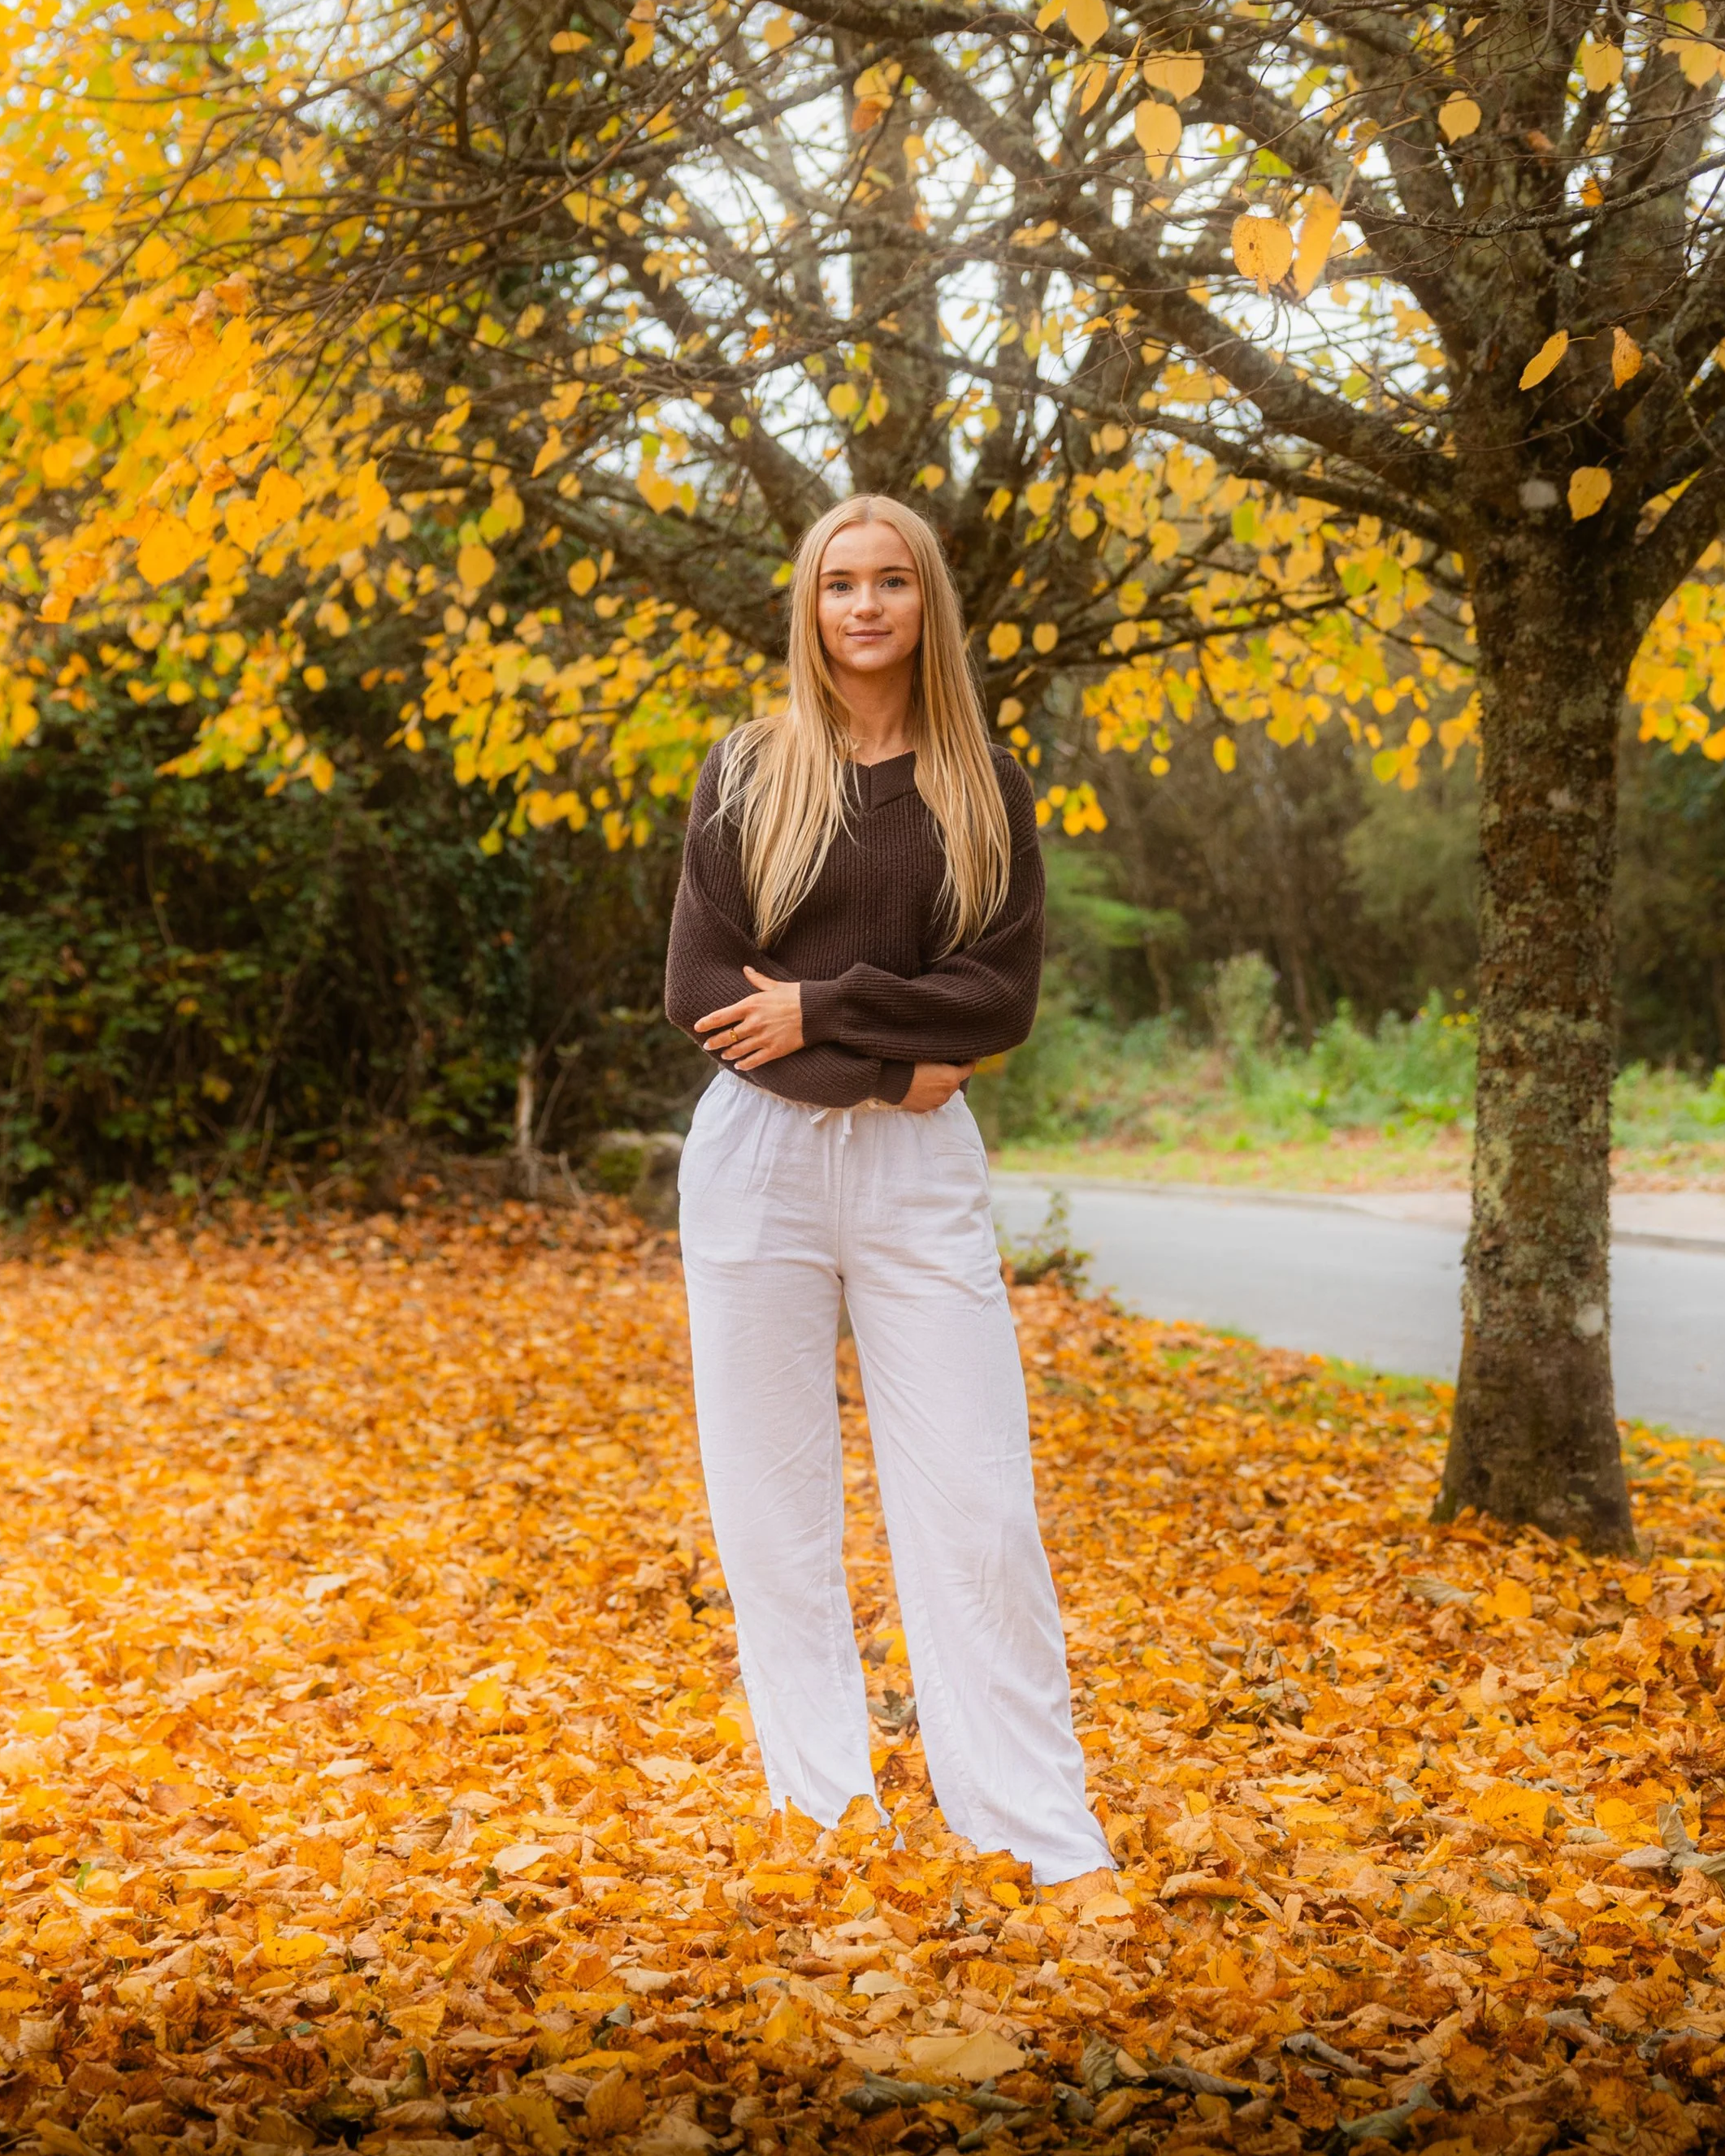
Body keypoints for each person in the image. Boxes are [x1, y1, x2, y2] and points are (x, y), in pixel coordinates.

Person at [663, 494, 1114, 1899]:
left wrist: (822, 1010)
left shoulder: (984, 784)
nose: (862, 606)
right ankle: (826, 1814)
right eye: (838, 583)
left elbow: (999, 996)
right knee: (769, 1508)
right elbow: (699, 991)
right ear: (808, 606)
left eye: (890, 582)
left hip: (922, 1173)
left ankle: (1035, 1832)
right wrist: (884, 1058)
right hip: (758, 1163)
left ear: (927, 605)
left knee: (977, 1500)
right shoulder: (747, 769)